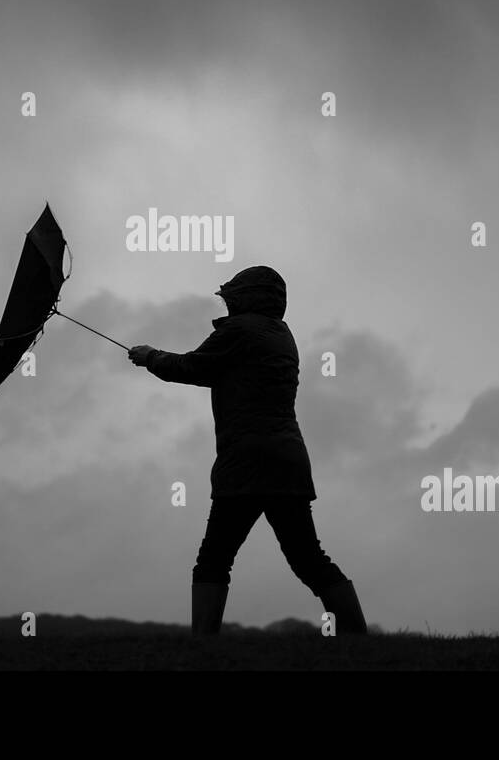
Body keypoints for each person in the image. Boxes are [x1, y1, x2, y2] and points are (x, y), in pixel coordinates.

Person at [127, 266, 367, 636]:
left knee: (213, 559)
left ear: (244, 298)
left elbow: (192, 366)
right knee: (308, 559)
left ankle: (203, 644)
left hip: (246, 462)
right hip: (288, 461)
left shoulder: (239, 331)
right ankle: (356, 636)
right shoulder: (281, 334)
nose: (228, 304)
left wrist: (149, 356)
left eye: (231, 298)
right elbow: (213, 371)